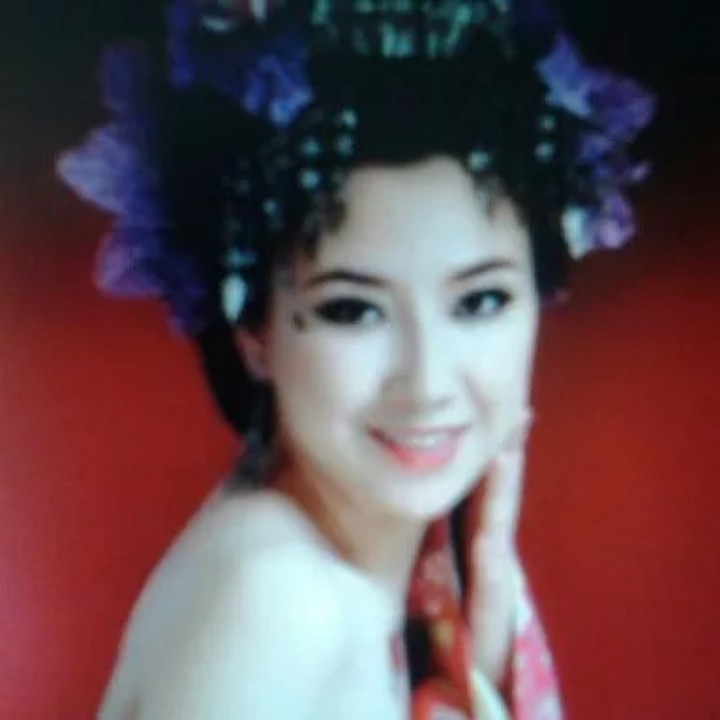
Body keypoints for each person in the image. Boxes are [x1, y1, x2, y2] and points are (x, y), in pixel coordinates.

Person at [57, 1, 655, 718]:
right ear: (254, 332)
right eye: (353, 310)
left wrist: (484, 616)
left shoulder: (403, 579)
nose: (427, 383)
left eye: (481, 301)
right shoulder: (278, 603)